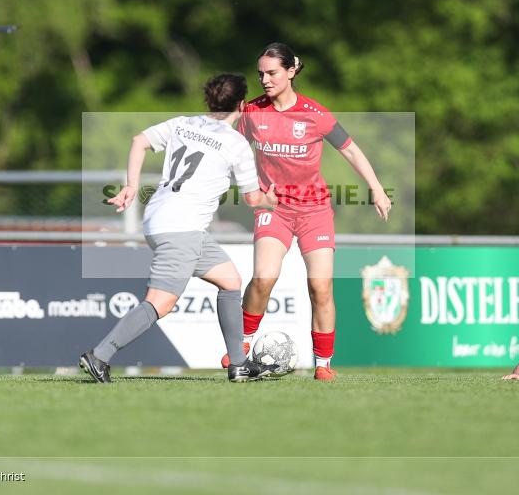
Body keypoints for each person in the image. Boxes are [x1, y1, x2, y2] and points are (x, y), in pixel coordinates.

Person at [80, 74, 279, 383]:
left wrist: (131, 186)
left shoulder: (184, 123)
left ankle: (238, 364)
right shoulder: (237, 143)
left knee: (230, 279)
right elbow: (254, 199)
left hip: (165, 220)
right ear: (241, 105)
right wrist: (270, 200)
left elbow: (139, 142)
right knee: (161, 302)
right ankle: (100, 355)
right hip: (181, 228)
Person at [220, 43, 392, 381]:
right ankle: (240, 348)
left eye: (272, 73)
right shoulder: (252, 112)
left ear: (291, 72)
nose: (265, 80)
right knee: (264, 277)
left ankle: (324, 365)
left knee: (321, 287)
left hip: (315, 211)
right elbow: (226, 146)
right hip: (275, 209)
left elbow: (352, 151)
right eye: (261, 74)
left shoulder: (316, 114)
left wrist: (376, 188)